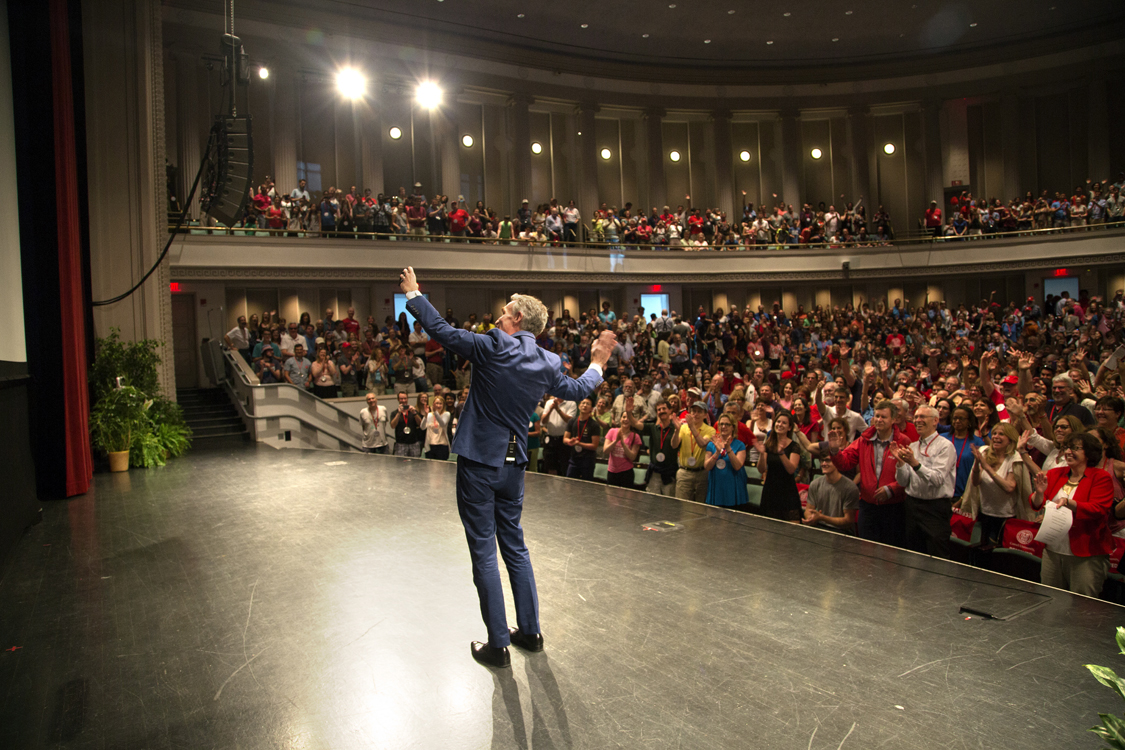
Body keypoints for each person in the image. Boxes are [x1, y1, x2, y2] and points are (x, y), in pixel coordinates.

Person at [400, 266, 614, 669]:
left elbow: (443, 332)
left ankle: (498, 644)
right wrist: (599, 361)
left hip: (480, 461)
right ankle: (530, 632)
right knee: (514, 545)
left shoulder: (495, 344)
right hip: (514, 465)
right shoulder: (549, 361)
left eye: (504, 312)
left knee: (483, 549)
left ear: (517, 319)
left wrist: (414, 295)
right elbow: (579, 388)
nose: (498, 317)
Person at [1030, 432, 1114, 596]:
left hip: (1085, 554)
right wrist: (1039, 493)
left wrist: (1070, 503)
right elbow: (1037, 503)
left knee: (1082, 607)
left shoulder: (1101, 477)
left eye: (1075, 448)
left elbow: (1099, 509)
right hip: (1053, 550)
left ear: (1089, 453)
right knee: (1050, 600)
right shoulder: (1056, 473)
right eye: (1067, 447)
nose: (1068, 451)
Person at [828, 401, 911, 547]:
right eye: (877, 416)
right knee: (866, 551)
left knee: (890, 553)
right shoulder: (863, 440)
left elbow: (909, 475)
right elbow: (844, 463)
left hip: (893, 507)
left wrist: (892, 489)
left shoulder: (903, 441)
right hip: (868, 506)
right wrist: (835, 451)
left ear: (893, 420)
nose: (879, 420)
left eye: (883, 417)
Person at [892, 405, 956, 558]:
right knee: (913, 554)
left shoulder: (945, 447)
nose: (918, 420)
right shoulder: (913, 446)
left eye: (922, 417)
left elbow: (937, 480)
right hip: (912, 506)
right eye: (916, 417)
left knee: (937, 555)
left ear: (935, 421)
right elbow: (903, 481)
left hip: (935, 509)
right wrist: (900, 463)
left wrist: (914, 463)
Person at [960, 423, 1036, 546]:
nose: (996, 437)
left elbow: (1009, 487)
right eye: (994, 433)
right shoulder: (984, 451)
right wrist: (977, 464)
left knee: (997, 554)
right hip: (983, 513)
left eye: (1001, 434)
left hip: (1005, 517)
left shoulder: (1014, 458)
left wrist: (987, 467)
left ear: (1010, 439)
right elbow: (975, 482)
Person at [757, 411, 802, 521]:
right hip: (771, 490)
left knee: (792, 528)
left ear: (789, 427)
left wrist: (781, 453)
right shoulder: (768, 444)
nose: (780, 424)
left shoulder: (794, 446)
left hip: (788, 491)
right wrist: (762, 454)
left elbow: (791, 470)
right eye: (778, 422)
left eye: (784, 423)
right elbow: (761, 469)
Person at [802, 453, 859, 533]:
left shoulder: (850, 488)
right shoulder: (815, 484)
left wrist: (822, 517)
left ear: (837, 462)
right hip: (820, 527)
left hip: (842, 532)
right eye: (822, 461)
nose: (823, 464)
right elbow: (808, 509)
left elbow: (848, 521)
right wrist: (811, 518)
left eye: (828, 460)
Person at [675, 401, 715, 504]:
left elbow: (702, 443)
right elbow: (674, 445)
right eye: (693, 411)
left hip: (702, 473)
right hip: (684, 473)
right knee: (681, 506)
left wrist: (692, 426)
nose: (695, 414)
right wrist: (676, 431)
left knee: (700, 507)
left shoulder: (710, 430)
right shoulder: (683, 428)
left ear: (705, 415)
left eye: (699, 411)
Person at [645, 400, 679, 496]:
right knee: (651, 502)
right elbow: (636, 425)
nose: (661, 411)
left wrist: (677, 430)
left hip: (669, 473)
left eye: (664, 408)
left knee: (668, 504)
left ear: (670, 410)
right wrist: (630, 413)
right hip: (654, 472)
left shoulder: (676, 428)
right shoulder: (654, 428)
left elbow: (675, 445)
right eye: (659, 409)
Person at [564, 397, 602, 481]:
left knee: (586, 488)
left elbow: (594, 445)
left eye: (588, 404)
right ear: (579, 406)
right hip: (574, 459)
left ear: (591, 409)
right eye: (583, 403)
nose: (585, 405)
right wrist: (570, 441)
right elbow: (565, 439)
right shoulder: (572, 421)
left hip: (587, 460)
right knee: (569, 484)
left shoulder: (594, 425)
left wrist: (579, 443)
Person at [603, 413, 641, 488]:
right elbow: (605, 450)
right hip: (612, 472)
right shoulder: (612, 431)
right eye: (624, 417)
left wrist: (623, 444)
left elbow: (632, 457)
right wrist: (616, 441)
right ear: (620, 419)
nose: (626, 419)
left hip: (626, 473)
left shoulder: (635, 436)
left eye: (628, 418)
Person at [390, 391, 423, 457]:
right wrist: (399, 413)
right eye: (401, 399)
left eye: (405, 398)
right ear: (398, 399)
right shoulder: (395, 413)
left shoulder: (413, 411)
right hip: (400, 444)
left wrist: (414, 413)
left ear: (407, 399)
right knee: (400, 464)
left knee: (416, 464)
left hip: (414, 443)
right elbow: (393, 426)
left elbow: (421, 424)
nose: (403, 400)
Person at [423, 396, 452, 461]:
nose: (438, 405)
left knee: (441, 468)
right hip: (430, 446)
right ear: (433, 404)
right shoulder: (429, 415)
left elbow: (442, 424)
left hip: (442, 445)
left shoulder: (446, 414)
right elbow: (422, 427)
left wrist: (435, 412)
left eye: (440, 403)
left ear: (443, 405)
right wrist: (425, 415)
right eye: (437, 403)